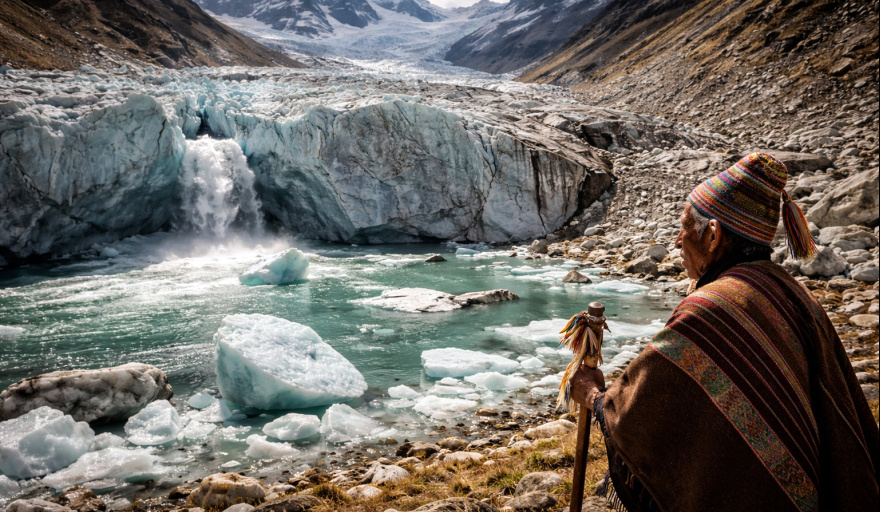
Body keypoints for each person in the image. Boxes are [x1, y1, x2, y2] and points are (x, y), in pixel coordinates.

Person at [570, 153, 879, 511]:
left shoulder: (710, 308)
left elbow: (634, 416)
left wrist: (593, 395)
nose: (676, 241)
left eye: (684, 227)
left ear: (713, 236)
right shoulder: (794, 292)